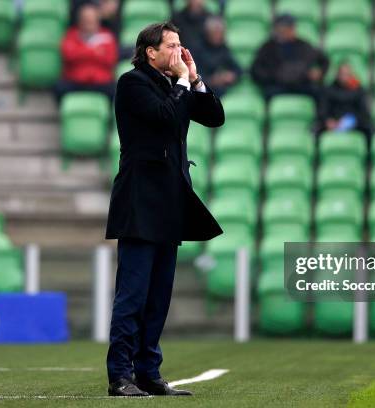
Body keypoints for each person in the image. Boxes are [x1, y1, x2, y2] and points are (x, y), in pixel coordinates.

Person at [105, 21, 224, 397]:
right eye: (170, 45)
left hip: (170, 201)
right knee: (133, 295)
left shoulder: (176, 85)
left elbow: (214, 117)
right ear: (150, 52)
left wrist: (195, 78)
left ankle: (148, 374)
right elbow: (165, 118)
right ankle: (120, 376)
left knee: (158, 297)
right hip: (141, 202)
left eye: (180, 44)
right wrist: (183, 83)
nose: (178, 50)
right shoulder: (132, 83)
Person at [250, 14, 329, 100]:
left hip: (301, 84)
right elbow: (255, 70)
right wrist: (272, 78)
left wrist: (319, 72)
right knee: (267, 93)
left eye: (290, 27)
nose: (288, 30)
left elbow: (324, 61)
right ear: (277, 29)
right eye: (285, 27)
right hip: (277, 86)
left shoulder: (304, 45)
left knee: (321, 92)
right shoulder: (268, 47)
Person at [54, 3, 119, 102]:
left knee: (118, 91)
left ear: (98, 19)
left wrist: (80, 51)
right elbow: (68, 55)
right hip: (75, 81)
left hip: (100, 82)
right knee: (59, 88)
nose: (88, 21)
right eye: (85, 18)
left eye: (91, 18)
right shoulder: (71, 35)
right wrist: (94, 52)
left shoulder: (107, 36)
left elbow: (110, 59)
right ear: (80, 20)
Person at [317, 61, 374, 138]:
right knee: (316, 129)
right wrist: (328, 121)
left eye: (347, 74)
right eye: (342, 73)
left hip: (354, 122)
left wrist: (352, 122)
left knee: (370, 128)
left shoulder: (358, 90)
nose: (344, 76)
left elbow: (363, 112)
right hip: (334, 121)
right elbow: (323, 110)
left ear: (351, 75)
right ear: (337, 74)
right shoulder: (328, 90)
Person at [194, 16, 242, 97]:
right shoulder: (198, 50)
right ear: (208, 33)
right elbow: (194, 76)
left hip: (223, 90)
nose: (217, 36)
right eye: (215, 33)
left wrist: (230, 76)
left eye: (220, 33)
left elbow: (239, 70)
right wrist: (212, 80)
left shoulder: (223, 49)